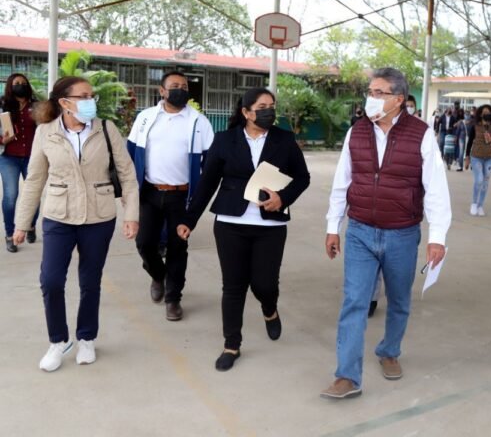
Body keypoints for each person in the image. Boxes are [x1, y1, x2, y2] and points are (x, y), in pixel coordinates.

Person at [322, 67, 451, 399]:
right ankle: (347, 376)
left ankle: (389, 351)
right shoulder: (357, 132)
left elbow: (435, 188)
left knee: (399, 300)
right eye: (370, 91)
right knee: (354, 301)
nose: (371, 98)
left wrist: (438, 236)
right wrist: (332, 226)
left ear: (398, 99)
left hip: (402, 234)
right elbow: (342, 182)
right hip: (361, 232)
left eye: (378, 93)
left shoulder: (421, 134)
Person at [177, 88, 310, 371]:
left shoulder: (284, 140)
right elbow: (207, 183)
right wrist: (189, 219)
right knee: (233, 286)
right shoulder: (225, 140)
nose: (269, 111)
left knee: (265, 284)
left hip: (270, 226)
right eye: (262, 106)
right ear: (246, 112)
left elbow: (302, 177)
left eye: (272, 106)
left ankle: (269, 309)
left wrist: (283, 198)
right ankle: (231, 344)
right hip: (231, 224)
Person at [12, 76, 139, 371]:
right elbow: (34, 181)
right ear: (64, 102)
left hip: (99, 216)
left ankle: (86, 337)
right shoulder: (45, 133)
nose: (90, 100)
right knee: (51, 280)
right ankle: (58, 341)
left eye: (91, 95)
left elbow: (128, 174)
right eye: (83, 96)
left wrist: (131, 215)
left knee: (89, 281)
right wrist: (22, 223)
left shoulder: (107, 130)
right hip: (59, 215)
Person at [127, 71, 214, 321]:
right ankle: (158, 275)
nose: (180, 90)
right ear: (161, 91)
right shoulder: (145, 118)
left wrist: (198, 200)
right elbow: (131, 155)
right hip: (150, 192)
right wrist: (129, 193)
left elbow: (209, 164)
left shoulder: (199, 122)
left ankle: (173, 298)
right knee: (144, 243)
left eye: (184, 86)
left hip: (181, 196)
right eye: (174, 86)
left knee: (178, 247)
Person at [0, 73, 39, 252]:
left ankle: (30, 225)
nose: (21, 85)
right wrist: (3, 140)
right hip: (9, 157)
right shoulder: (2, 105)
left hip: (33, 157)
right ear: (10, 86)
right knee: (11, 196)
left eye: (23, 83)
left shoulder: (36, 105)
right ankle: (10, 234)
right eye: (16, 83)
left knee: (34, 195)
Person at [464, 105, 491, 217]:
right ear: (480, 114)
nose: (486, 114)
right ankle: (474, 203)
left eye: (488, 112)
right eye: (484, 112)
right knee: (479, 180)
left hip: (489, 157)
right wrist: (467, 157)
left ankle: (480, 205)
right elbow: (469, 142)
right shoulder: (475, 125)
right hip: (476, 156)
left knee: (485, 182)